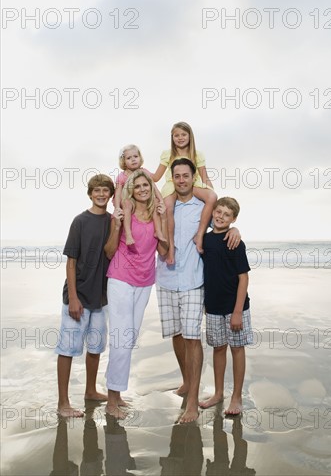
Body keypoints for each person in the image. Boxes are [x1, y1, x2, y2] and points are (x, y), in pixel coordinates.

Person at [156, 159, 240, 424]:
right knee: (177, 335)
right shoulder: (165, 205)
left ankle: (192, 401)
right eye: (177, 176)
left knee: (193, 338)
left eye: (186, 176)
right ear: (172, 178)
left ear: (194, 178)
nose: (181, 180)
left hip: (193, 281)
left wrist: (236, 229)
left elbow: (225, 220)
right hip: (167, 280)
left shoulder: (206, 205)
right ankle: (186, 381)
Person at [105, 169, 169, 419]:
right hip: (120, 278)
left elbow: (163, 251)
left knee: (129, 339)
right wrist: (118, 224)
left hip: (145, 281)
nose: (143, 189)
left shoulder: (155, 212)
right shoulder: (124, 210)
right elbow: (109, 251)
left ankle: (117, 394)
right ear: (131, 188)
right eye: (138, 185)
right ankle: (111, 401)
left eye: (147, 185)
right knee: (121, 339)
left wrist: (162, 225)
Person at [55, 174, 115, 418]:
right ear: (90, 194)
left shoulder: (113, 222)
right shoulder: (80, 221)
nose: (101, 194)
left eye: (105, 191)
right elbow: (71, 262)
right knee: (67, 349)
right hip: (78, 294)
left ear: (111, 195)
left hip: (101, 297)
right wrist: (73, 297)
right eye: (97, 190)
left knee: (96, 347)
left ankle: (91, 390)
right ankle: (63, 403)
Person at [199, 197, 253, 415]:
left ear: (234, 219)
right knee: (218, 348)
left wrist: (238, 311)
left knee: (237, 349)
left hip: (235, 307)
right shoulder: (205, 239)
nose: (220, 216)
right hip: (212, 306)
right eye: (218, 212)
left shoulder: (235, 242)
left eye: (227, 214)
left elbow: (244, 278)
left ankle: (237, 397)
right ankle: (218, 393)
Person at [152, 122, 217, 265]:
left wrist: (214, 196)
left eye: (183, 134)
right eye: (176, 135)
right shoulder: (167, 154)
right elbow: (156, 177)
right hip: (172, 183)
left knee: (212, 197)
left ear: (190, 136)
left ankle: (199, 235)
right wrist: (138, 172)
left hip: (193, 182)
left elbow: (204, 177)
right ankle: (170, 250)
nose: (180, 138)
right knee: (167, 206)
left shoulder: (197, 154)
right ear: (172, 137)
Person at [114, 144, 166, 246]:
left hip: (142, 200)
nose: (133, 160)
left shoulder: (144, 171)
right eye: (129, 158)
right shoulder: (122, 176)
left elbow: (154, 188)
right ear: (123, 161)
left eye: (135, 157)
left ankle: (158, 231)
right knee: (126, 203)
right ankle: (128, 234)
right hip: (128, 201)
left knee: (155, 202)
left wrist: (161, 200)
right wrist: (117, 207)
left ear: (140, 158)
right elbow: (118, 193)